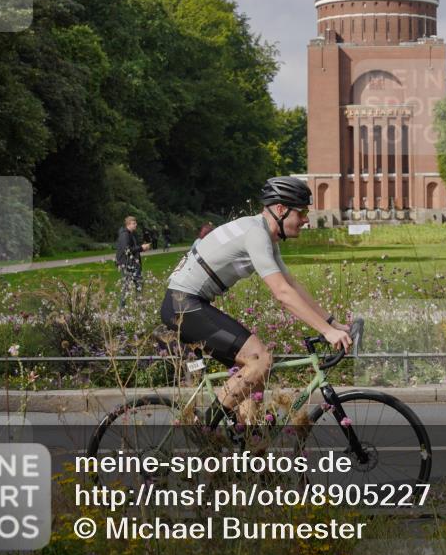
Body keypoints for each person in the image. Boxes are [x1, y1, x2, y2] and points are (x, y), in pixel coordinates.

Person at [161, 177, 352, 424]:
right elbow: (282, 293)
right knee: (260, 359)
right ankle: (206, 430)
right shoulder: (256, 234)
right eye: (302, 212)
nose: (305, 219)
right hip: (183, 305)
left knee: (253, 377)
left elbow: (291, 284)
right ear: (281, 210)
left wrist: (331, 323)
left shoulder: (262, 232)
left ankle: (248, 450)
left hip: (187, 303)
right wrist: (326, 332)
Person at [116, 216, 150, 308]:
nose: (136, 225)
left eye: (136, 223)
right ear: (128, 224)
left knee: (138, 284)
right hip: (128, 265)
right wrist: (141, 248)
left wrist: (141, 248)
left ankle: (139, 307)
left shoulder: (130, 234)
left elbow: (131, 249)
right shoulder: (125, 235)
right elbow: (127, 250)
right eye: (134, 223)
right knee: (127, 287)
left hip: (132, 264)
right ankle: (122, 309)